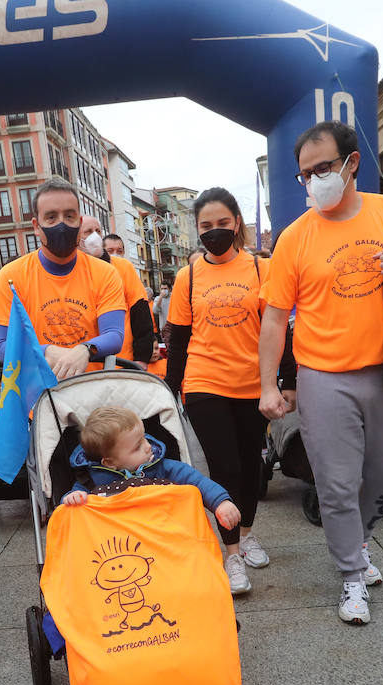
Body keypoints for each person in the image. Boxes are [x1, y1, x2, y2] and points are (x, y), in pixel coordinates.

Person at [258, 120, 383, 626]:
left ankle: (360, 543)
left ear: (352, 164)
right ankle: (352, 576)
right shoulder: (295, 238)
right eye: (305, 174)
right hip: (322, 375)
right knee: (335, 482)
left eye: (323, 168)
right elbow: (273, 317)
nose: (314, 181)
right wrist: (268, 384)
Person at [165, 187, 270, 597]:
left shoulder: (263, 269)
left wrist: (288, 380)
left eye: (222, 224)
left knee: (252, 467)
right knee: (224, 467)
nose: (215, 232)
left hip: (252, 384)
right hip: (204, 383)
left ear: (237, 223)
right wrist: (170, 391)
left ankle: (246, 535)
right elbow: (178, 339)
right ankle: (230, 555)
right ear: (197, 231)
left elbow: (278, 330)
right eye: (206, 226)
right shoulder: (187, 277)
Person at [0, 178, 127, 379]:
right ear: (37, 226)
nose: (61, 224)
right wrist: (46, 350)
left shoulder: (105, 273)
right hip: (37, 397)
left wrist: (85, 350)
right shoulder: (11, 276)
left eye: (69, 216)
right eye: (51, 217)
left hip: (93, 394)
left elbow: (114, 335)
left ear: (79, 224)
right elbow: (3, 346)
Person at [63, 407, 241, 536]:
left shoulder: (163, 467)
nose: (148, 447)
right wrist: (72, 497)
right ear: (110, 462)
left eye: (144, 438)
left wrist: (219, 502)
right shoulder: (94, 480)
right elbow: (74, 497)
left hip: (165, 534)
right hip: (119, 541)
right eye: (137, 446)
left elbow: (196, 480)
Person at [81, 216, 155, 367]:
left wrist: (141, 358)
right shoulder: (75, 270)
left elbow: (140, 311)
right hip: (85, 364)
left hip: (122, 361)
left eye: (97, 231)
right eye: (88, 232)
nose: (94, 236)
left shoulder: (123, 267)